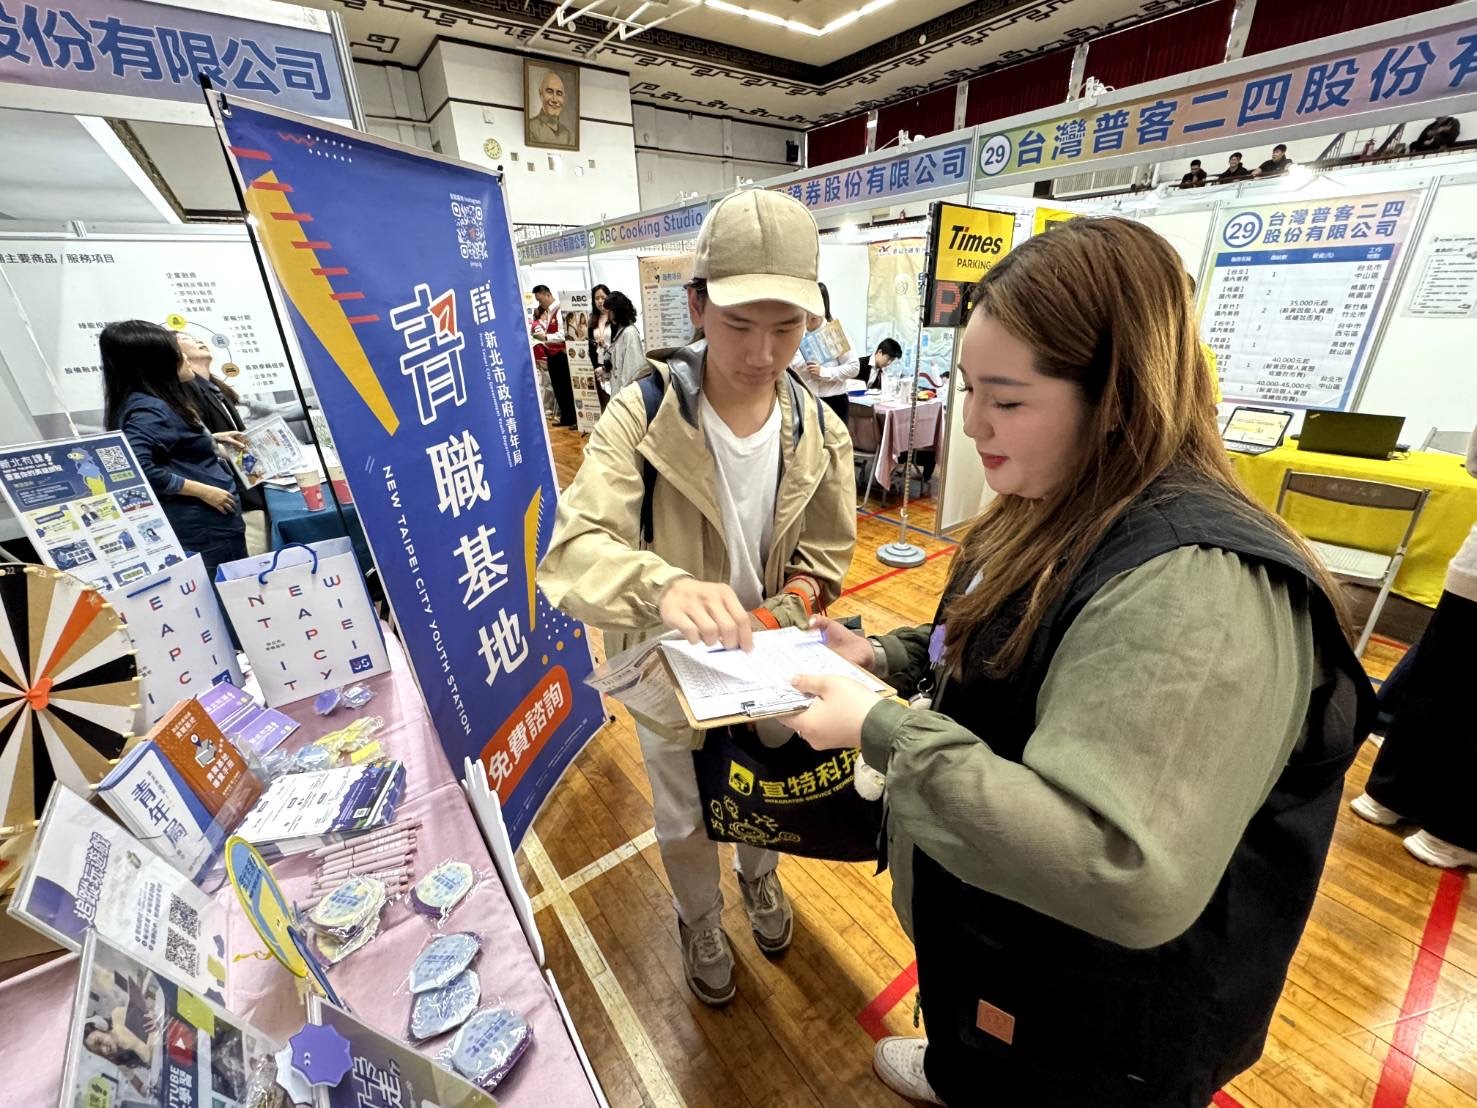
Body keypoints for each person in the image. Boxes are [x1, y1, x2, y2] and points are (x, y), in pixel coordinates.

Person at [784, 217, 1374, 1106]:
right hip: (1011, 949)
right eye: (965, 388)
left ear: (1116, 398)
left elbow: (1118, 866)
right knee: (987, 1049)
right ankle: (962, 1061)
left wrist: (882, 730)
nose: (972, 424)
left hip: (1102, 1019)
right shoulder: (1054, 496)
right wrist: (886, 654)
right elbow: (993, 638)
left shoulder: (1193, 590)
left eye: (1008, 399)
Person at [539, 188, 856, 1008]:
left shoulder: (819, 429)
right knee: (681, 812)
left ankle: (758, 878)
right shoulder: (637, 416)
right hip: (668, 662)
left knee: (766, 783)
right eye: (739, 323)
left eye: (786, 326)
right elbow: (572, 556)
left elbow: (826, 553)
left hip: (770, 651)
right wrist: (665, 584)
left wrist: (788, 599)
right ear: (696, 306)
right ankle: (697, 915)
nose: (762, 352)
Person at [1349, 424, 1477, 869]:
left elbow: (1474, 461)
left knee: (1433, 684)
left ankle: (1387, 794)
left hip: (1471, 572)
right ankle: (1452, 832)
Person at [102, 321, 247, 580]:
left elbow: (168, 447)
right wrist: (204, 491)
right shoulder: (149, 409)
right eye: (176, 351)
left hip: (211, 525)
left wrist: (209, 439)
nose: (185, 357)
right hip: (204, 527)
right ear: (154, 362)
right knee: (228, 594)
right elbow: (135, 467)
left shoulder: (155, 402)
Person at [177, 333, 270, 555]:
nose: (197, 340)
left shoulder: (215, 387)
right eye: (184, 338)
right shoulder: (184, 393)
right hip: (233, 497)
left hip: (251, 485)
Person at [791, 281, 861, 422]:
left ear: (825, 305)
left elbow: (854, 367)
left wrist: (824, 372)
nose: (813, 312)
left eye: (819, 305)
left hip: (834, 402)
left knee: (835, 444)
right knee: (808, 444)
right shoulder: (794, 335)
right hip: (805, 402)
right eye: (810, 305)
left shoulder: (835, 333)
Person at [532, 285, 577, 427]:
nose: (540, 304)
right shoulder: (549, 312)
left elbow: (563, 334)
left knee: (565, 388)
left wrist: (545, 337)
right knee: (558, 388)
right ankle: (566, 417)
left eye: (540, 300)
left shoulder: (559, 310)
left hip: (561, 355)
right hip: (551, 355)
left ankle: (572, 417)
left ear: (547, 295)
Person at [603, 291, 647, 396]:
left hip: (625, 394)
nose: (607, 315)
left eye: (609, 311)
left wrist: (623, 396)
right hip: (619, 392)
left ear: (616, 311)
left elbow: (633, 371)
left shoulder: (630, 333)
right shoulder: (621, 331)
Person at [528, 69, 575, 147]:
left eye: (559, 93)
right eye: (549, 92)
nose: (554, 99)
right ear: (540, 94)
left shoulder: (569, 136)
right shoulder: (531, 128)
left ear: (564, 97)